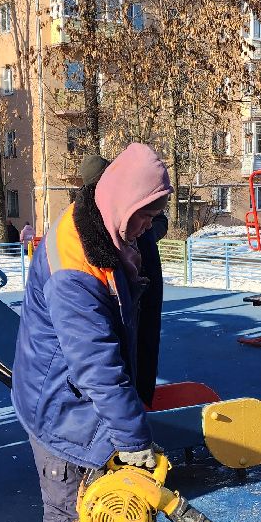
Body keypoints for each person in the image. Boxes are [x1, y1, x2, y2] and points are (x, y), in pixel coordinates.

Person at [12, 143, 189, 522]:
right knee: (69, 495)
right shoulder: (73, 271)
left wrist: (132, 440)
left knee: (133, 483)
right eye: (144, 215)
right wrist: (133, 439)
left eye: (155, 215)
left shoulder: (114, 225)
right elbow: (96, 367)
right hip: (59, 402)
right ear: (120, 203)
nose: (149, 226)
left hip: (94, 389)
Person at [79, 151, 166, 406]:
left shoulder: (130, 218)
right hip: (132, 290)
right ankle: (137, 398)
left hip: (141, 285)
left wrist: (145, 229)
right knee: (128, 346)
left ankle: (138, 398)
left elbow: (158, 221)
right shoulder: (98, 228)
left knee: (136, 343)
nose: (146, 224)